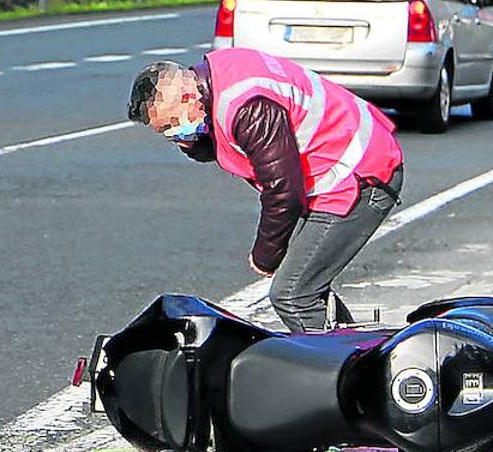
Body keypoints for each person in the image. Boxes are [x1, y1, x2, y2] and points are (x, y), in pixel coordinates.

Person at [127, 47, 404, 332]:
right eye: (166, 132)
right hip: (346, 170)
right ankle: (355, 353)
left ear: (187, 97)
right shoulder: (215, 76)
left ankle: (336, 370)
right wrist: (192, 141)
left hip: (360, 175)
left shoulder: (247, 106)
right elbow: (223, 143)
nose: (174, 135)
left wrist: (266, 255)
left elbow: (283, 192)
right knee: (309, 287)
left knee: (293, 295)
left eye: (172, 125)